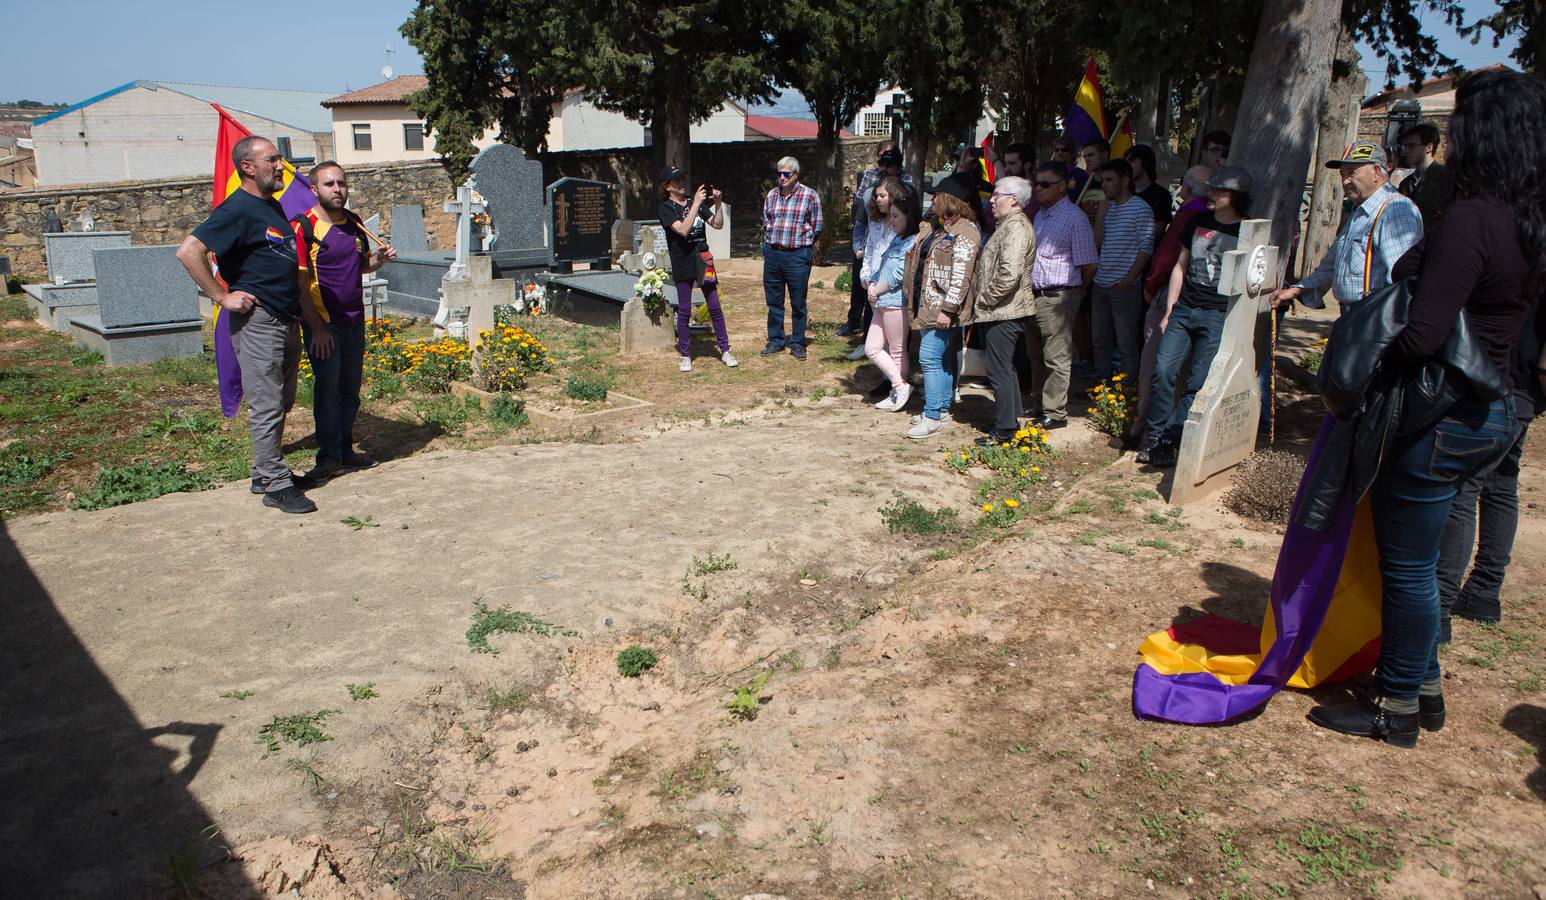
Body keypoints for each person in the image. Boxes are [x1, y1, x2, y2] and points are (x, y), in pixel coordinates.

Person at [1308, 69, 1546, 748]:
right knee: (1420, 563)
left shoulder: (1472, 219)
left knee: (1408, 570)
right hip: (1491, 405)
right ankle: (1426, 686)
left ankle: (1397, 707)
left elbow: (1422, 333)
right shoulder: (1527, 223)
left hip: (1442, 416)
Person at [175, 135, 315, 514]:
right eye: (272, 159)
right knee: (267, 403)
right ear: (248, 168)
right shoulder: (237, 208)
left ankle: (263, 472)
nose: (281, 165)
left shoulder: (271, 207)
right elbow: (189, 251)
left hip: (285, 319)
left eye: (280, 158)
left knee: (281, 401)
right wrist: (221, 297)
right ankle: (276, 484)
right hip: (259, 321)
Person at [1436, 293, 1544, 641]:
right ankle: (1483, 592)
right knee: (1500, 484)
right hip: (1520, 385)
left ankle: (1439, 609)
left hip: (1509, 383)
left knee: (1463, 489)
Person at [1137, 166, 1253, 467]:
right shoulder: (1197, 221)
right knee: (1162, 373)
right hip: (1184, 309)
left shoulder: (1249, 232)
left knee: (1197, 382)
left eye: (1217, 190)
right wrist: (1169, 310)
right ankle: (1155, 436)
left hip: (1217, 316)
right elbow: (1180, 266)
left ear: (1236, 196)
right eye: (1209, 188)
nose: (1209, 194)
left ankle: (1171, 440)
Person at [290, 161, 396, 486]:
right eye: (329, 184)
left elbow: (361, 265)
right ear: (313, 190)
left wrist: (379, 260)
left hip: (354, 320)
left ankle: (346, 449)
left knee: (350, 391)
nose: (338, 189)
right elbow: (298, 282)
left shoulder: (354, 223)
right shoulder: (302, 227)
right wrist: (317, 328)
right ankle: (328, 458)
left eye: (342, 183)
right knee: (327, 391)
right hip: (324, 323)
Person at [1269, 142, 1423, 317]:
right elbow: (1331, 266)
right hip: (1354, 317)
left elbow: (1402, 278)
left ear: (1377, 172)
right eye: (1342, 174)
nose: (1345, 181)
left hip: (1374, 317)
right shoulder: (1361, 211)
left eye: (1352, 173)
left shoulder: (1395, 210)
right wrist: (1297, 290)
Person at [1134, 164, 1212, 442]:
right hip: (1195, 299)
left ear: (1186, 189)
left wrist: (1152, 285)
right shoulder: (1210, 214)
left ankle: (1145, 430)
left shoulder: (1192, 213)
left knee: (1154, 365)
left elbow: (1169, 257)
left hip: (1172, 293)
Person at [903, 173, 981, 438]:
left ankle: (933, 415)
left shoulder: (966, 232)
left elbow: (962, 274)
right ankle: (942, 408)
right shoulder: (939, 228)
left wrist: (948, 309)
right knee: (942, 359)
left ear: (949, 199)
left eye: (936, 194)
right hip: (928, 306)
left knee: (929, 357)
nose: (932, 198)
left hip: (945, 309)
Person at [1026, 161, 1097, 430]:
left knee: (1056, 356)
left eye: (1044, 184)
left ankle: (1056, 412)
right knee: (1035, 354)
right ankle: (1038, 402)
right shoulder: (1040, 215)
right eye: (1036, 183)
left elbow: (1089, 263)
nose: (1038, 189)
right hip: (1034, 294)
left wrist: (1076, 293)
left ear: (1061, 186)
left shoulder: (1074, 219)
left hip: (1059, 296)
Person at [968, 175, 1038, 446]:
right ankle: (1010, 420)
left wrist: (984, 299)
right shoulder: (1007, 225)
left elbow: (1009, 275)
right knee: (1004, 369)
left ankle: (1006, 429)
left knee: (998, 370)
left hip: (1004, 311)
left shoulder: (1016, 228)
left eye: (997, 195)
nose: (992, 200)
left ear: (1014, 199)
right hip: (1000, 310)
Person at [658, 165, 736, 373]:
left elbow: (717, 224)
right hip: (683, 261)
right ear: (667, 187)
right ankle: (685, 355)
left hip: (703, 259)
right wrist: (697, 204)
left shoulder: (694, 203)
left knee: (714, 307)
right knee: (684, 310)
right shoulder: (666, 209)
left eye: (682, 179)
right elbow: (683, 230)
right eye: (676, 182)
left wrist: (717, 204)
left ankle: (725, 350)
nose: (682, 184)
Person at [1090, 160, 1154, 382]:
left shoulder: (1141, 209)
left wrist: (1130, 278)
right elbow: (1096, 244)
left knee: (1126, 341)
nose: (1104, 185)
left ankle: (1125, 391)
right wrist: (1099, 218)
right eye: (1103, 180)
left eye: (1109, 180)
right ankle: (1101, 386)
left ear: (1125, 181)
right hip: (1101, 283)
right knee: (1100, 339)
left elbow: (1146, 247)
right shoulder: (1108, 208)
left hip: (1124, 286)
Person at [842, 142, 912, 340]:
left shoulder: (907, 187)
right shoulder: (869, 193)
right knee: (863, 292)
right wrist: (858, 249)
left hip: (894, 259)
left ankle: (891, 344)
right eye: (882, 161)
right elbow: (860, 219)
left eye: (890, 163)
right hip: (869, 253)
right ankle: (866, 338)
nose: (885, 168)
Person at [864, 189, 921, 412]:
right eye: (892, 215)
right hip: (880, 300)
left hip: (895, 301)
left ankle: (898, 389)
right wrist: (872, 284)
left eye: (896, 216)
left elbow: (899, 274)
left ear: (909, 217)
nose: (892, 220)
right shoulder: (898, 239)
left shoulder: (912, 242)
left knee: (897, 350)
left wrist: (876, 290)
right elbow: (883, 267)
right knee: (872, 348)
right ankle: (899, 387)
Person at [761, 156, 823, 360]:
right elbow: (766, 221)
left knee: (798, 302)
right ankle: (776, 340)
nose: (781, 177)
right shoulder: (771, 196)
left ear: (796, 174)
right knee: (774, 301)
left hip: (797, 255)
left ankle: (797, 342)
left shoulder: (809, 196)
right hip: (773, 253)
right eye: (779, 173)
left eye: (786, 174)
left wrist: (802, 245)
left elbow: (817, 225)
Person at [858, 176, 904, 380]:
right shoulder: (876, 222)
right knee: (877, 339)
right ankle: (891, 380)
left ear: (893, 196)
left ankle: (895, 382)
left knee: (895, 343)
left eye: (882, 195)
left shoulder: (901, 225)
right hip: (873, 286)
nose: (878, 199)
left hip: (891, 289)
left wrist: (879, 285)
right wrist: (866, 277)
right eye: (876, 196)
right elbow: (869, 251)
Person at [1396, 122, 1455, 230]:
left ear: (1429, 147)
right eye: (1405, 146)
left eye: (1412, 145)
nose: (1406, 151)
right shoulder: (1405, 184)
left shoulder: (1446, 178)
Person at [1124, 144, 1173, 238]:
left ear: (1145, 162)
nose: (1127, 166)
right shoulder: (1123, 192)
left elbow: (1157, 232)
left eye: (1132, 161)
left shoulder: (1162, 195)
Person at [1052, 136, 1088, 201]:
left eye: (1064, 150)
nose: (1059, 153)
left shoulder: (1081, 175)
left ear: (1072, 153)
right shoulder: (1049, 173)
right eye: (1056, 150)